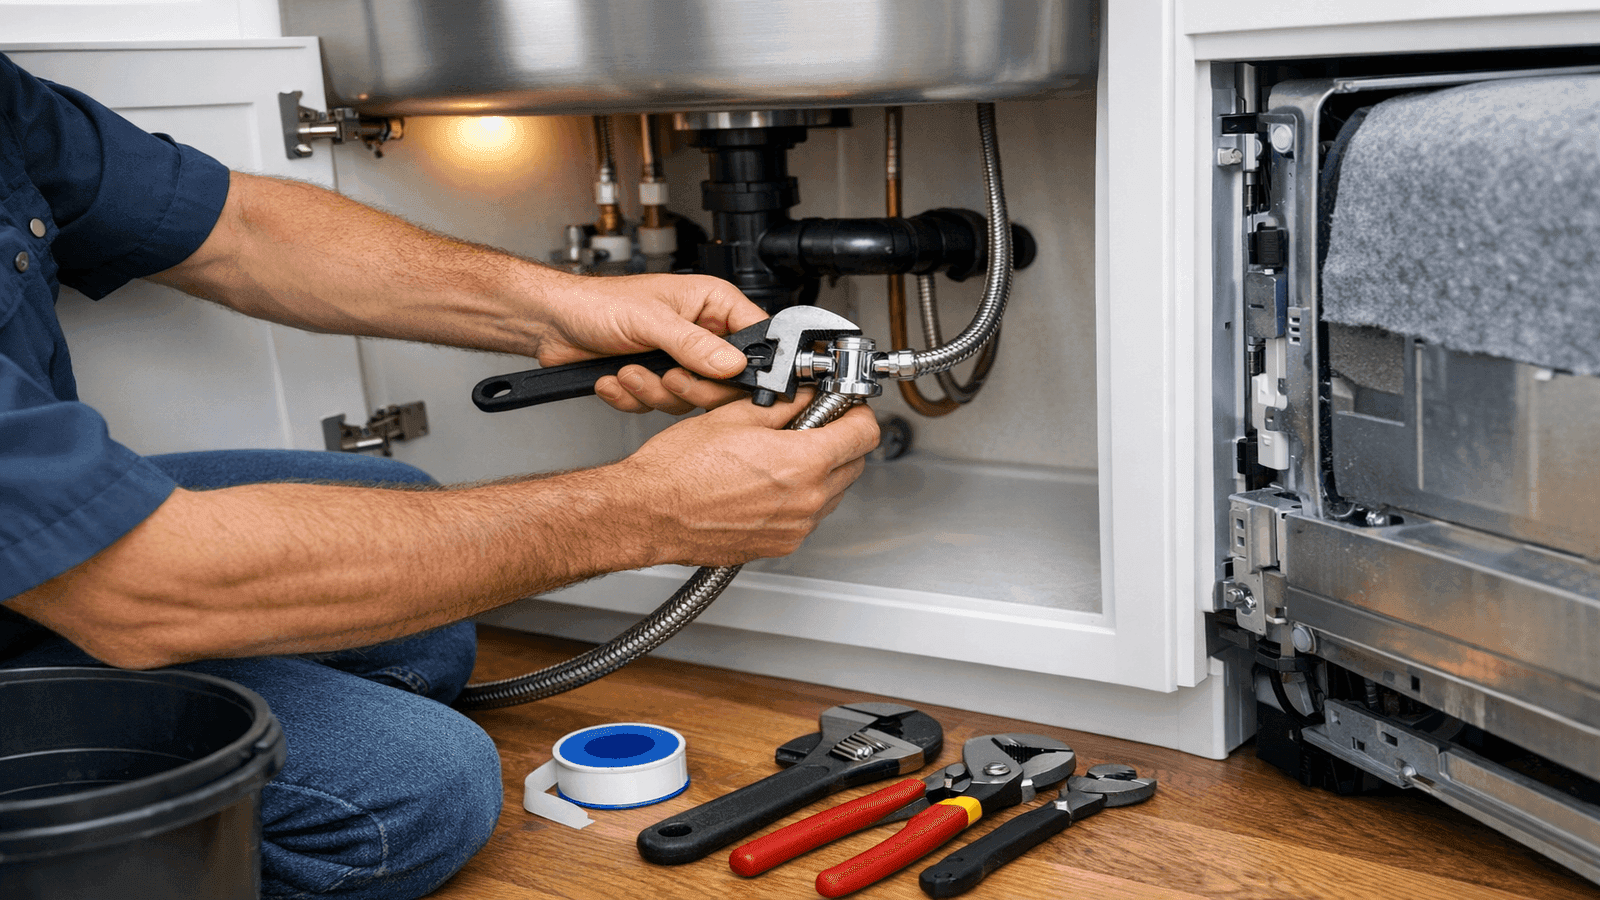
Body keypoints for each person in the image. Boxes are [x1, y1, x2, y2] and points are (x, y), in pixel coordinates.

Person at [0, 52, 879, 898]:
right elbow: (145, 581)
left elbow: (236, 231)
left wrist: (554, 305)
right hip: (115, 579)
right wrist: (648, 511)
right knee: (418, 792)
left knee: (418, 596)